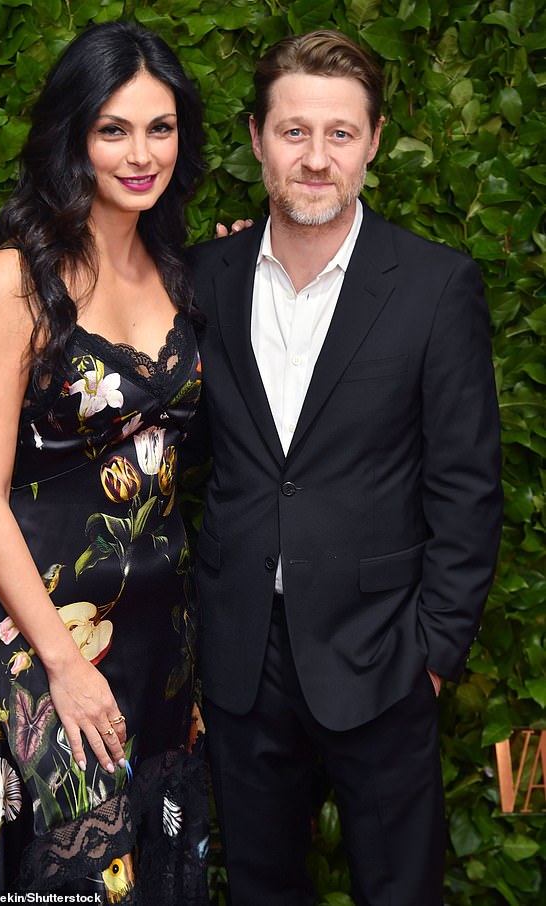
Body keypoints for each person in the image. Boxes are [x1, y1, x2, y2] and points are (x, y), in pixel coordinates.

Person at [187, 29, 503, 906]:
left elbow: (467, 486)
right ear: (256, 140)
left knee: (402, 891)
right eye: (294, 133)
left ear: (371, 141)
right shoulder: (203, 278)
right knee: (258, 887)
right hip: (241, 652)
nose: (315, 158)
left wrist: (431, 654)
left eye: (338, 133)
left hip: (383, 653)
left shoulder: (436, 286)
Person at [0, 21, 209, 902]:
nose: (140, 153)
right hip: (52, 644)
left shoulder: (182, 269)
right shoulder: (14, 281)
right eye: (113, 128)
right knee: (74, 875)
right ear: (73, 136)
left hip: (167, 641)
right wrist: (62, 663)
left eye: (159, 128)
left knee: (155, 871)